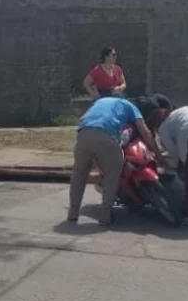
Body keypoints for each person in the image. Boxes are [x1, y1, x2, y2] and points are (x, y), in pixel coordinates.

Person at [68, 96, 162, 225]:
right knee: (112, 177)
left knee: (79, 176)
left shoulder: (100, 101)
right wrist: (159, 155)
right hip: (106, 136)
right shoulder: (132, 108)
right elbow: (145, 132)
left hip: (83, 134)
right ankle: (105, 216)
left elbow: (84, 118)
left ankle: (72, 214)